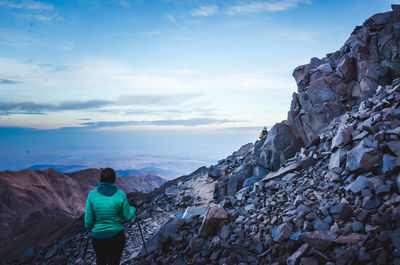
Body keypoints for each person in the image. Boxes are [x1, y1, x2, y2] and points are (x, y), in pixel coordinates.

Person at [85, 168, 136, 265]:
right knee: (114, 261)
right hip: (116, 236)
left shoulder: (92, 195)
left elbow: (88, 221)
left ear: (101, 179)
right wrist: (133, 208)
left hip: (97, 237)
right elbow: (128, 217)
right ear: (114, 180)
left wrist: (91, 227)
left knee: (101, 260)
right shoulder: (120, 195)